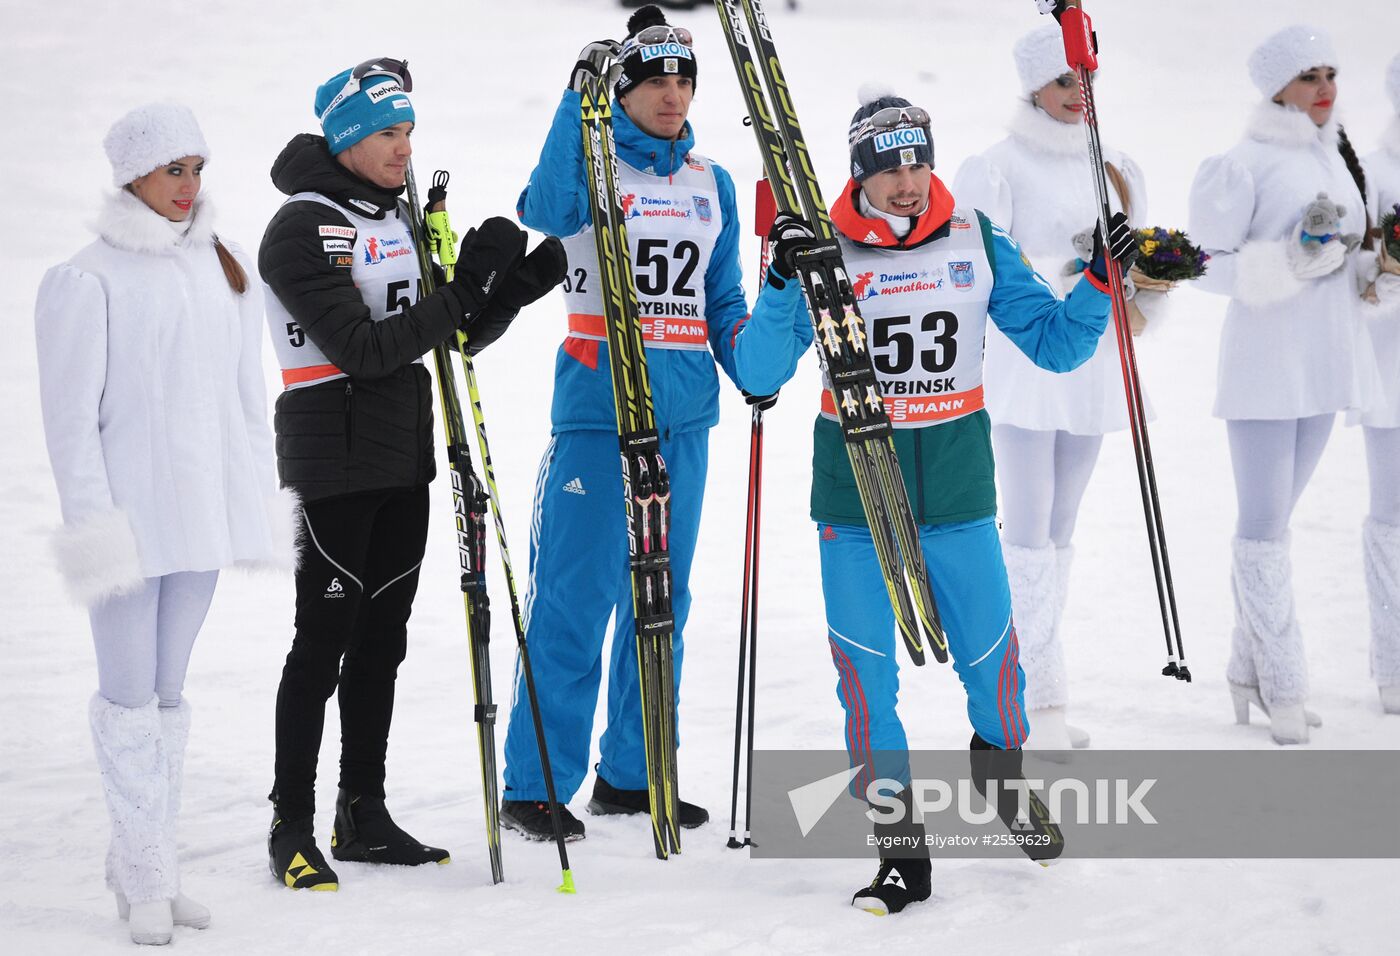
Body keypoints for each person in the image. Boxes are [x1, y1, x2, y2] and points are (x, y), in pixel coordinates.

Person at [744, 85, 1135, 914]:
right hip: (854, 500)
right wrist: (781, 277)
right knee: (865, 681)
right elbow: (756, 374)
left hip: (956, 492)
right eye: (889, 168)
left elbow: (1058, 345)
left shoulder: (975, 237)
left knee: (996, 668)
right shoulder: (824, 247)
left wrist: (1102, 279)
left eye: (918, 160)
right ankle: (899, 848)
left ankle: (1001, 778)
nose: (909, 180)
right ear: (859, 176)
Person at [498, 4, 806, 841]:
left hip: (685, 418)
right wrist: (578, 100)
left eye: (684, 79)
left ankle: (633, 774)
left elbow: (724, 307)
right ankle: (534, 784)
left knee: (661, 601)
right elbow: (546, 207)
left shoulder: (713, 182)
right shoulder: (594, 166)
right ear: (623, 93)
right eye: (654, 81)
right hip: (599, 416)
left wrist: (778, 314)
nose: (673, 95)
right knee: (576, 598)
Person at [259, 57, 565, 889]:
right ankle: (290, 822)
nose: (403, 149)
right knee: (320, 643)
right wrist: (461, 292)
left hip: (403, 455)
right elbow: (361, 349)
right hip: (334, 457)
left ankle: (362, 810)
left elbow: (447, 339)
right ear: (350, 138)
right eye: (389, 134)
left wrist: (507, 294)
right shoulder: (301, 226)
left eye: (409, 133)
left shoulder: (394, 215)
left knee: (381, 644)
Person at [35, 102, 296, 945]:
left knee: (169, 697)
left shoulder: (225, 267)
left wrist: (254, 498)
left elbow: (248, 405)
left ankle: (148, 866)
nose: (188, 187)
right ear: (130, 175)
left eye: (197, 169)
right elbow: (70, 424)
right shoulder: (86, 278)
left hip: (202, 525)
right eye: (171, 169)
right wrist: (95, 529)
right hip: (130, 526)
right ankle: (145, 876)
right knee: (128, 696)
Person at [953, 24, 1150, 753]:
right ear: (1034, 85)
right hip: (1026, 361)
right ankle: (1031, 692)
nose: (1078, 94)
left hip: (1093, 359)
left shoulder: (1115, 163)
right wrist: (1069, 273)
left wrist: (1137, 274)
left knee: (1062, 531)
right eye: (1065, 81)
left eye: (1086, 79)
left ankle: (1043, 675)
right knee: (1028, 531)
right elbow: (981, 265)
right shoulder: (997, 166)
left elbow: (1133, 262)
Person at [1188, 25, 1375, 744]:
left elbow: (1343, 256)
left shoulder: (1332, 157)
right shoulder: (1241, 165)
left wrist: (1372, 270)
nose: (1325, 88)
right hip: (1266, 364)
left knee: (1278, 524)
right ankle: (1285, 681)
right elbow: (1202, 264)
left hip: (1324, 361)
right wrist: (1289, 264)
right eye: (1308, 76)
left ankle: (1248, 668)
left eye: (1330, 73)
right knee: (1262, 527)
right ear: (1275, 87)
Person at [1359, 52, 1400, 716]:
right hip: (1393, 364)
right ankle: (1393, 661)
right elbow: (1362, 282)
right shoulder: (1375, 173)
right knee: (1393, 513)